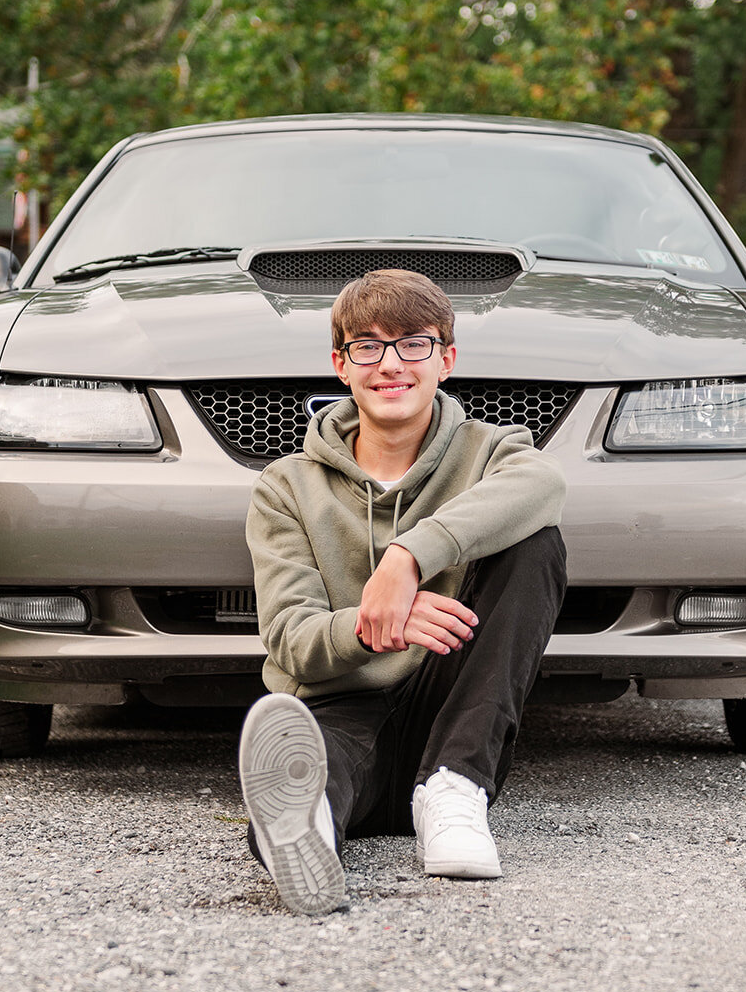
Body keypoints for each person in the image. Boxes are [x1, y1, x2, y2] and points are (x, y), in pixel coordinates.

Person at [238, 268, 567, 914]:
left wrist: (408, 558)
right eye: (368, 345)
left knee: (536, 542)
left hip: (452, 714)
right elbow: (290, 639)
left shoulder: (492, 452)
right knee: (305, 770)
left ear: (446, 359)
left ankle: (454, 792)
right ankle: (311, 841)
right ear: (341, 364)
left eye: (413, 344)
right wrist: (371, 623)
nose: (390, 364)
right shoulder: (286, 487)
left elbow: (544, 487)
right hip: (341, 710)